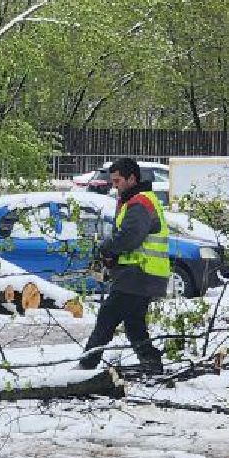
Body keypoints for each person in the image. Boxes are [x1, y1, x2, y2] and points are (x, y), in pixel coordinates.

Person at [75, 157, 169, 376]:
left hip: (139, 273)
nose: (114, 185)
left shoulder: (139, 203)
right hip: (142, 274)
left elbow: (129, 238)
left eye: (118, 181)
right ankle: (152, 364)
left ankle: (86, 366)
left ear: (132, 178)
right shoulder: (135, 200)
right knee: (134, 325)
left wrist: (106, 250)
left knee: (107, 317)